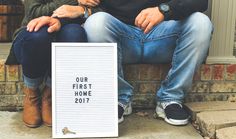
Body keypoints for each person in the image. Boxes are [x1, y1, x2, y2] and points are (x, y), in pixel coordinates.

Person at [82, 0, 213, 125]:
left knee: (201, 22)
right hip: (122, 36)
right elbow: (82, 9)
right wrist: (85, 4)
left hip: (163, 36)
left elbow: (200, 1)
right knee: (95, 23)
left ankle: (170, 98)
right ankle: (118, 98)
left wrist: (164, 10)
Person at [5, 0, 99, 128]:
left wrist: (82, 11)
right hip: (32, 32)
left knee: (75, 34)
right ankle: (31, 94)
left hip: (68, 29)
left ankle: (49, 95)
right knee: (39, 35)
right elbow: (34, 12)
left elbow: (105, 10)